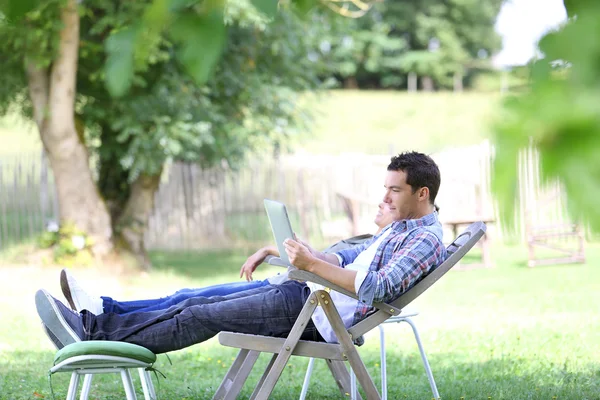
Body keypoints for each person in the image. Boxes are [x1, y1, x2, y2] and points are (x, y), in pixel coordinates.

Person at [35, 151, 447, 354]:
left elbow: (376, 288)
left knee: (197, 313)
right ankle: (99, 315)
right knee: (189, 298)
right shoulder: (403, 228)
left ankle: (92, 336)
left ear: (422, 193)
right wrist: (304, 255)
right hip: (305, 293)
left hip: (316, 313)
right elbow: (350, 262)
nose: (386, 197)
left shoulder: (424, 239)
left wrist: (312, 265)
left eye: (395, 190)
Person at [60, 202, 394, 316]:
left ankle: (102, 315)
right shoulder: (368, 241)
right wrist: (270, 249)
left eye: (390, 204)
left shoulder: (381, 247)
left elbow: (324, 265)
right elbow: (321, 257)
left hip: (304, 301)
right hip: (291, 287)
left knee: (189, 304)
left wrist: (304, 263)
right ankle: (104, 308)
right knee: (183, 297)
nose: (381, 203)